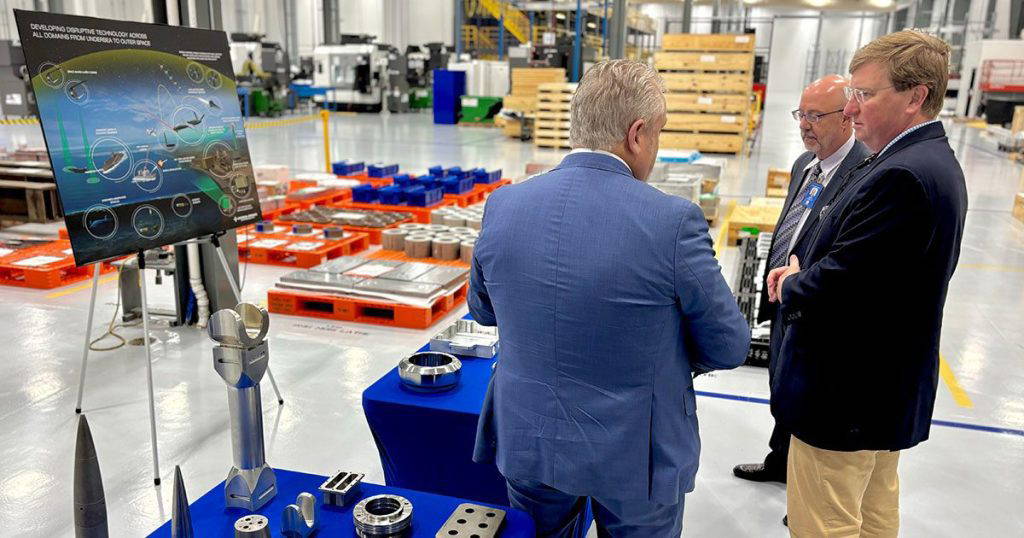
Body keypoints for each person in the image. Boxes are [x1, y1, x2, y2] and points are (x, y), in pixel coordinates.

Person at [468, 59, 750, 537]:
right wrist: (665, 357)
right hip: (634, 454)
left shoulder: (504, 204)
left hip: (530, 437)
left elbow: (482, 309)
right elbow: (729, 344)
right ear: (637, 134)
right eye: (658, 133)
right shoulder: (671, 222)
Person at [766, 30, 967, 537]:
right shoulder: (929, 161)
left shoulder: (901, 176)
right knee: (874, 513)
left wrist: (793, 283)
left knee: (824, 523)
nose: (852, 109)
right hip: (882, 389)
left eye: (866, 94)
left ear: (915, 97)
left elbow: (843, 284)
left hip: (845, 393)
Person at [733, 75, 869, 485]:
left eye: (816, 116)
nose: (805, 125)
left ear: (846, 117)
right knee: (781, 383)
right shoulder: (804, 165)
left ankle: (805, 489)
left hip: (817, 303)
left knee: (808, 395)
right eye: (801, 114)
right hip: (785, 296)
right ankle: (780, 461)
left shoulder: (863, 170)